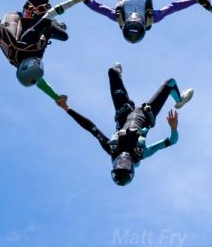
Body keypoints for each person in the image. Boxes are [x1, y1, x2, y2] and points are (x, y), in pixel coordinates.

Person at [56, 63, 193, 186]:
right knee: (170, 82)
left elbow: (91, 128)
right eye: (126, 165)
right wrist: (174, 128)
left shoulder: (112, 148)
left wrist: (68, 109)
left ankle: (118, 74)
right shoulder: (142, 153)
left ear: (114, 165)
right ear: (132, 167)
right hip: (147, 113)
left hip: (124, 110)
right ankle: (179, 101)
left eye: (119, 164)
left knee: (112, 71)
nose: (123, 161)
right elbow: (172, 141)